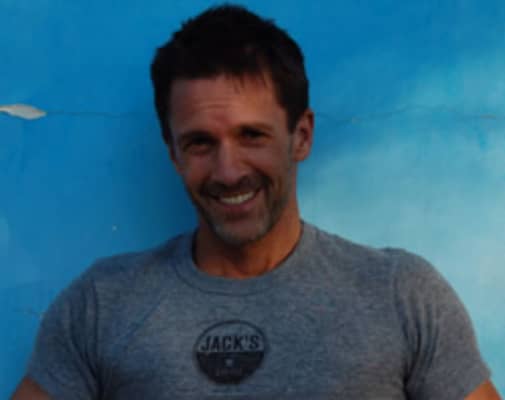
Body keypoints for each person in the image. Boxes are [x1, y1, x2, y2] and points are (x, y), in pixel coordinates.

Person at [12, 4, 501, 400]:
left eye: (252, 136)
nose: (228, 171)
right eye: (200, 143)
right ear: (173, 152)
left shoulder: (401, 295)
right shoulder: (102, 304)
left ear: (301, 136)